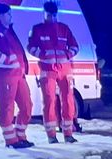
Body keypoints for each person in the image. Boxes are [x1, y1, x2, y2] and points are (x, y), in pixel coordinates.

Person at [28, 1, 80, 144]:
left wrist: (68, 55)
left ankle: (68, 133)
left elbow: (75, 46)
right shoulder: (37, 29)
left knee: (68, 100)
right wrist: (43, 55)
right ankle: (51, 135)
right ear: (44, 14)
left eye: (55, 14)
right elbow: (31, 47)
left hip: (64, 69)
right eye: (50, 15)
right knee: (49, 101)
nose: (53, 17)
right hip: (47, 70)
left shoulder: (64, 28)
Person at [0, 3, 33, 148]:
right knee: (7, 107)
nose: (11, 16)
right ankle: (11, 141)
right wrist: (7, 61)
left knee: (27, 106)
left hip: (18, 75)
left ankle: (20, 136)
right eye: (9, 14)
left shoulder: (9, 30)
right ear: (0, 15)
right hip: (5, 75)